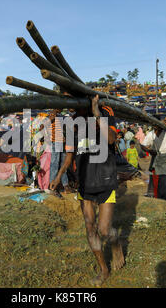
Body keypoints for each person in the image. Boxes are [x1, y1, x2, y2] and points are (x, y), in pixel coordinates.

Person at [49, 95, 124, 286]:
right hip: (84, 183)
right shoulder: (72, 123)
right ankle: (103, 269)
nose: (73, 111)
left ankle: (116, 243)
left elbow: (111, 139)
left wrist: (97, 114)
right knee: (90, 228)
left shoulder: (105, 112)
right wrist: (58, 176)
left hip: (105, 179)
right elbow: (69, 155)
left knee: (105, 229)